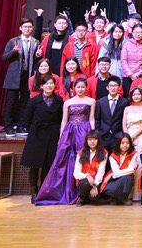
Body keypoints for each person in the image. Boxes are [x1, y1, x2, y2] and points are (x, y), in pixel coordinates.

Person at [35, 76, 95, 205]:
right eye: (78, 87)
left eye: (83, 87)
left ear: (86, 88)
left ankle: (82, 193)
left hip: (84, 131)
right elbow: (64, 120)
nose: (80, 89)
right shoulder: (67, 102)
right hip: (70, 131)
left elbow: (92, 119)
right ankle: (65, 191)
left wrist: (93, 135)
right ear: (74, 88)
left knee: (82, 158)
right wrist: (61, 136)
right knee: (64, 159)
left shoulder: (91, 101)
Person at [21, 76, 64, 202]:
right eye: (46, 84)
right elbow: (27, 120)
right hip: (37, 135)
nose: (49, 86)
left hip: (52, 134)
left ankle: (43, 191)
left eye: (51, 83)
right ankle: (34, 192)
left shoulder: (59, 100)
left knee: (47, 165)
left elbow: (61, 118)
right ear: (41, 86)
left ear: (55, 85)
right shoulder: (34, 101)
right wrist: (34, 130)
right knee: (34, 165)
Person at [2, 15, 40, 135]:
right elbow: (4, 57)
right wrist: (13, 52)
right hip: (14, 76)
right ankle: (8, 126)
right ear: (20, 28)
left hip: (27, 75)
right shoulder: (13, 41)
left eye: (29, 27)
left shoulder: (35, 42)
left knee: (25, 102)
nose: (27, 29)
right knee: (11, 102)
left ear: (32, 28)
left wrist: (38, 56)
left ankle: (21, 125)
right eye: (25, 27)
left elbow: (35, 60)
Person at [73, 130, 108, 206]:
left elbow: (101, 172)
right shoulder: (81, 153)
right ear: (86, 141)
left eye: (95, 139)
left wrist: (95, 185)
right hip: (84, 180)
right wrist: (87, 176)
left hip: (96, 181)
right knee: (85, 183)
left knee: (95, 198)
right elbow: (76, 173)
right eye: (90, 139)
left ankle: (88, 197)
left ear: (98, 140)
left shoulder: (104, 153)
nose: (92, 141)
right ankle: (81, 197)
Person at [103, 133, 138, 204]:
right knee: (108, 190)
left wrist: (112, 174)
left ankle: (124, 198)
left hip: (125, 179)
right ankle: (116, 199)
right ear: (118, 144)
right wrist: (114, 174)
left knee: (128, 177)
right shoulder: (112, 156)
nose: (125, 145)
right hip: (115, 179)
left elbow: (131, 171)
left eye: (127, 143)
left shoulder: (134, 154)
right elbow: (127, 170)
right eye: (122, 143)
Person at [122, 87, 142, 153]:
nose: (136, 96)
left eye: (138, 94)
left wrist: (133, 137)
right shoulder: (127, 109)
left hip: (140, 134)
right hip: (128, 134)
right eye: (134, 95)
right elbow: (124, 125)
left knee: (139, 155)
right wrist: (128, 137)